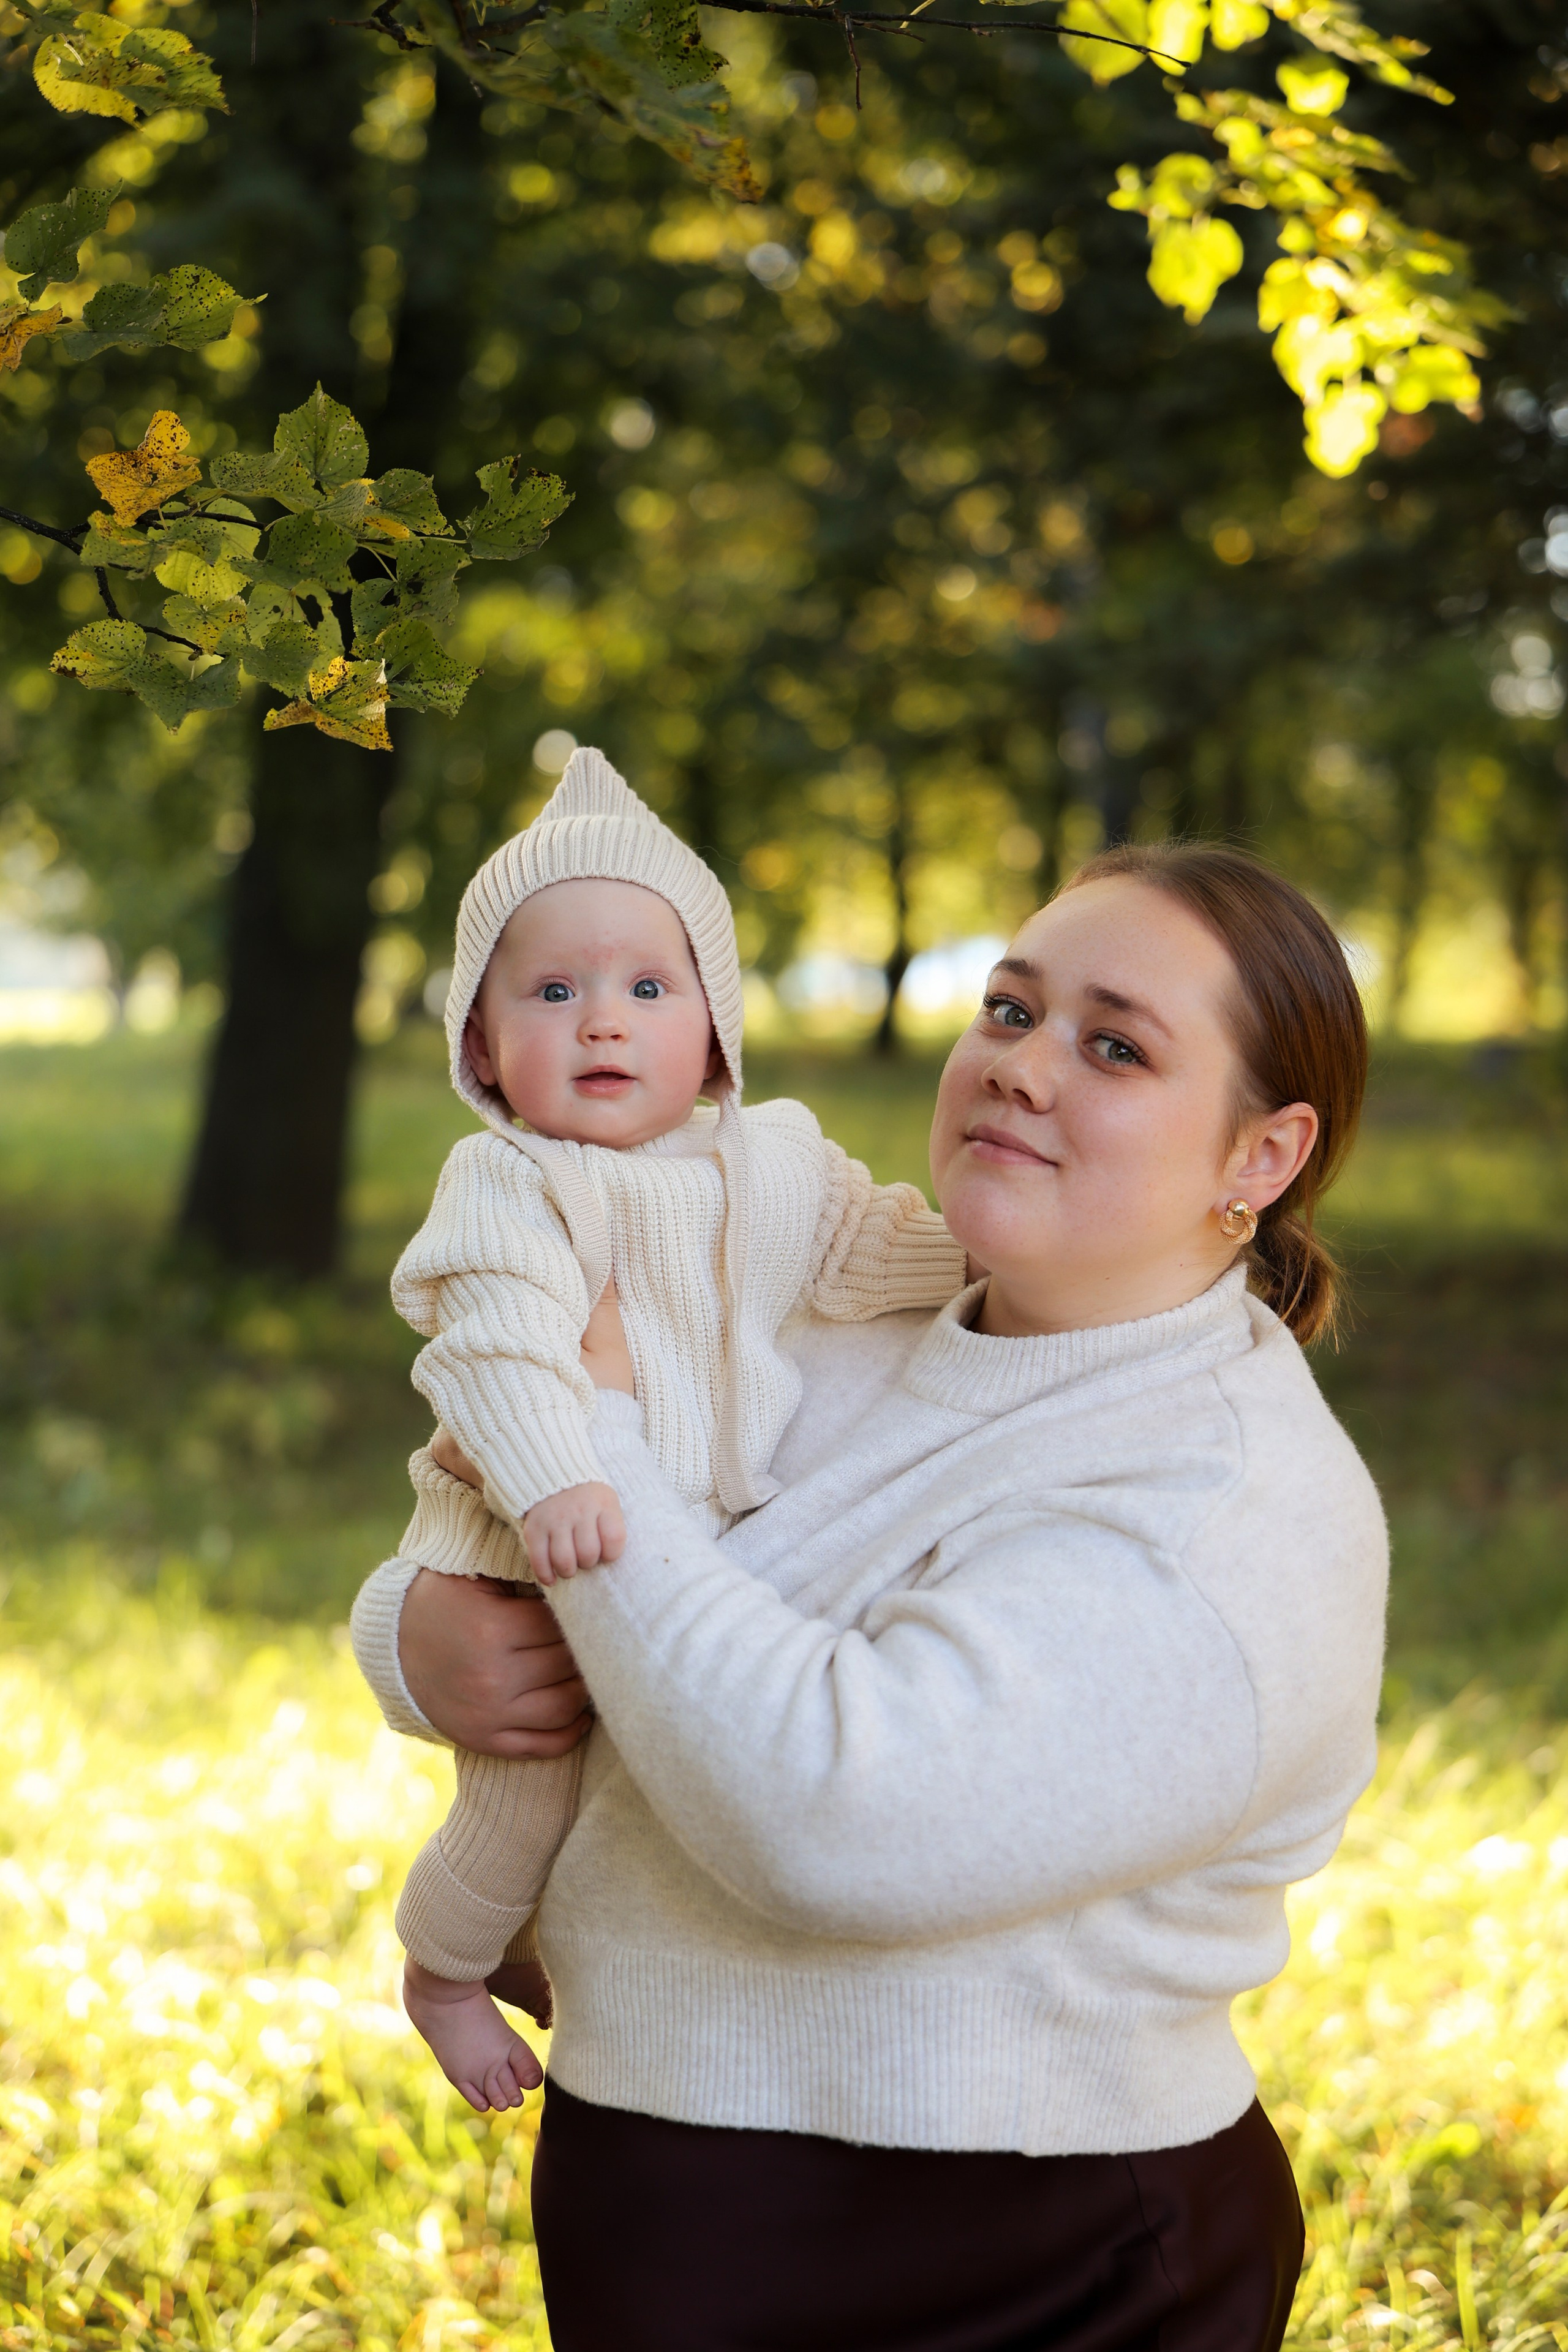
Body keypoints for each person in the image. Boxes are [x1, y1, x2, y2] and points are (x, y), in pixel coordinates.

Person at [353, 841, 1388, 2352]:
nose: (1022, 1068)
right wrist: (414, 1640)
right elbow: (550, 1565)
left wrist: (596, 1434)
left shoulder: (1225, 1506)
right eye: (1010, 1009)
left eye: (1113, 1046)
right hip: (658, 2188)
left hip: (1008, 2248)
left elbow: (840, 1821)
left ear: (1260, 1157)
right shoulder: (835, 1327)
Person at [379, 745, 968, 2114]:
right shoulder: (507, 1181)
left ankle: (586, 1971)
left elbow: (878, 1249)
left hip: (699, 1551)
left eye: (648, 989)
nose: (602, 1024)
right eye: (553, 992)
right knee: (517, 1806)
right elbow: (496, 1341)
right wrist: (555, 1476)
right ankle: (443, 1973)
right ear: (479, 1040)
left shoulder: (774, 1162)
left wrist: (1005, 1270)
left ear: (713, 1032)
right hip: (534, 1548)